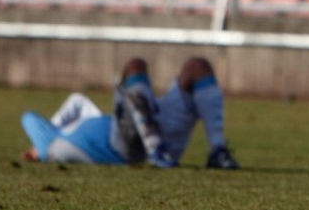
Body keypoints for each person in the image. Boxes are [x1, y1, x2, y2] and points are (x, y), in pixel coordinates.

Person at [21, 56, 239, 170]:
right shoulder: (50, 144)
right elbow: (28, 118)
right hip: (126, 142)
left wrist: (58, 122)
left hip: (146, 118)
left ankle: (218, 151)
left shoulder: (68, 129)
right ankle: (154, 145)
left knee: (198, 66)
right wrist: (37, 149)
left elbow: (76, 102)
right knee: (134, 65)